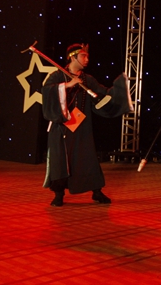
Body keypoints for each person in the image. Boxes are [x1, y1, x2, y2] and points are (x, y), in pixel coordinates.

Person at [42, 43, 132, 207]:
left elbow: (102, 93)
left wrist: (119, 91)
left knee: (87, 158)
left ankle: (96, 191)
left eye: (87, 56)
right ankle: (58, 194)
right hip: (61, 127)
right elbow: (47, 91)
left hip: (81, 127)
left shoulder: (88, 80)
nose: (87, 59)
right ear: (72, 57)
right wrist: (67, 85)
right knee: (60, 160)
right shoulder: (57, 76)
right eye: (83, 56)